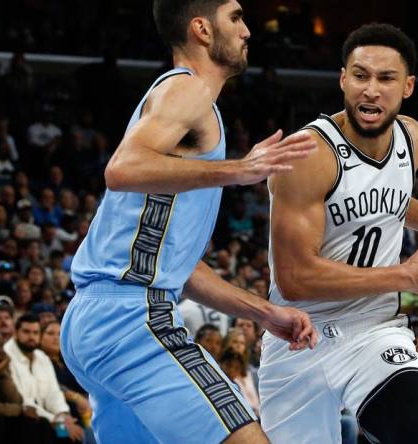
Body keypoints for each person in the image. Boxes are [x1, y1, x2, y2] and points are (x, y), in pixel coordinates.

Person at [60, 2, 320, 442]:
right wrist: (241, 170)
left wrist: (263, 311)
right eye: (235, 17)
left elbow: (181, 267)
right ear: (201, 28)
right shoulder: (188, 91)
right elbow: (121, 169)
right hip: (133, 317)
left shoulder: (186, 108)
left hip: (96, 318)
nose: (247, 31)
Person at [261, 23, 418, 443]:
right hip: (299, 333)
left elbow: (390, 199)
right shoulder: (308, 155)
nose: (371, 89)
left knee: (412, 430)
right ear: (343, 79)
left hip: (375, 328)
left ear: (407, 86)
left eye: (385, 78)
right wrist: (410, 276)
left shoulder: (412, 138)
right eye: (360, 75)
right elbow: (295, 279)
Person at [5, 315, 82, 443]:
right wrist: (55, 419)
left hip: (49, 419)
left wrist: (63, 414)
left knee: (72, 436)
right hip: (22, 418)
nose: (31, 337)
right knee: (45, 428)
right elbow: (23, 400)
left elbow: (53, 392)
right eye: (26, 332)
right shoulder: (7, 355)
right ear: (15, 333)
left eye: (35, 332)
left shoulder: (41, 357)